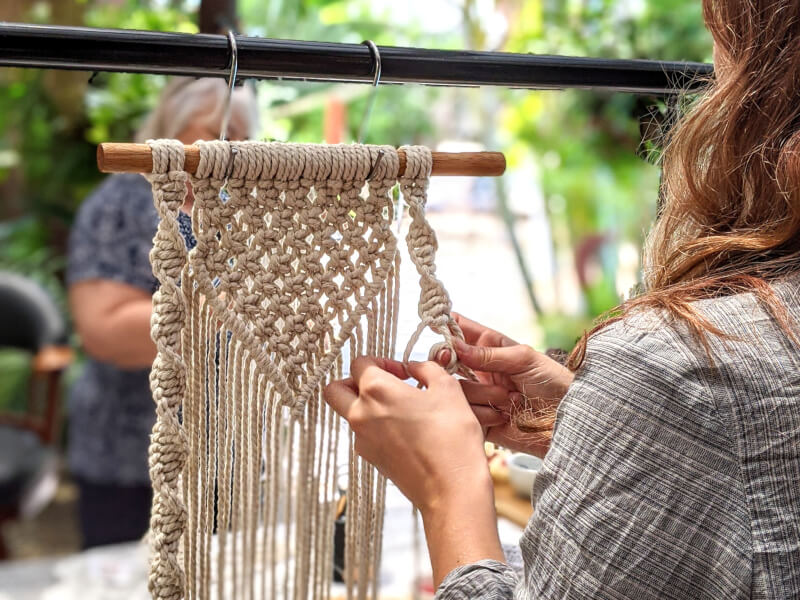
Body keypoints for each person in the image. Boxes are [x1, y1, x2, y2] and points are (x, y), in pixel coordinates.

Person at [324, 2, 800, 598]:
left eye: (719, 49)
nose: (707, 80)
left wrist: (446, 488)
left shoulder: (678, 361)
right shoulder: (705, 361)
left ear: (763, 84)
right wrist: (595, 423)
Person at [66, 77, 257, 548]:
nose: (231, 150)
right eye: (218, 133)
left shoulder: (240, 210)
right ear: (173, 127)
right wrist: (226, 307)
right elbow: (105, 332)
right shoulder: (122, 206)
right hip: (130, 457)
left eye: (242, 137)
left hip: (220, 457)